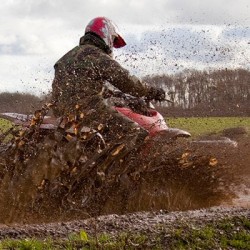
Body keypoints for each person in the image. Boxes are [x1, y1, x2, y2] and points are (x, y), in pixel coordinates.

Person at [51, 17, 165, 159]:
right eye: (113, 40)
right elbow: (128, 82)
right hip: (88, 110)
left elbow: (78, 86)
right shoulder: (97, 56)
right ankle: (115, 175)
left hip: (62, 114)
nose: (112, 46)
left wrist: (110, 93)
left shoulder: (66, 58)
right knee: (135, 132)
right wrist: (151, 91)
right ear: (106, 35)